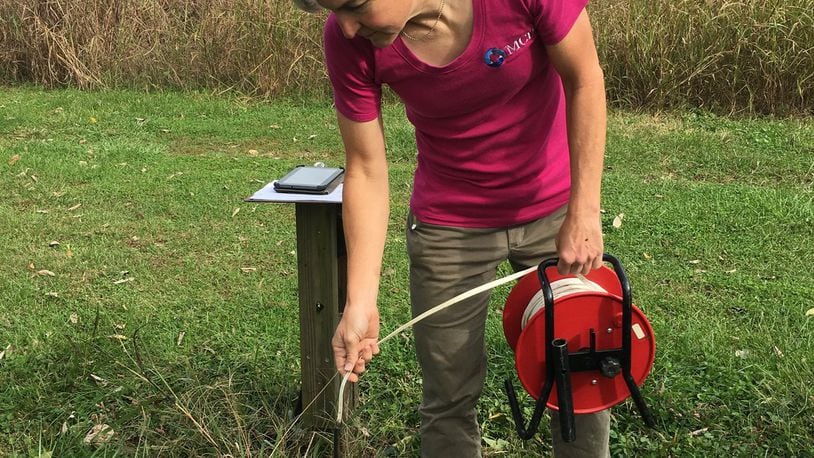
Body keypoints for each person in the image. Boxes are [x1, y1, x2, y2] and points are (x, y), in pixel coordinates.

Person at [292, 0, 609, 455]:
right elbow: (364, 168)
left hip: (555, 208)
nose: (344, 26)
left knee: (580, 370)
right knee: (448, 395)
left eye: (355, 6)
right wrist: (359, 302)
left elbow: (585, 78)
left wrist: (583, 211)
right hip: (448, 226)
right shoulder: (349, 42)